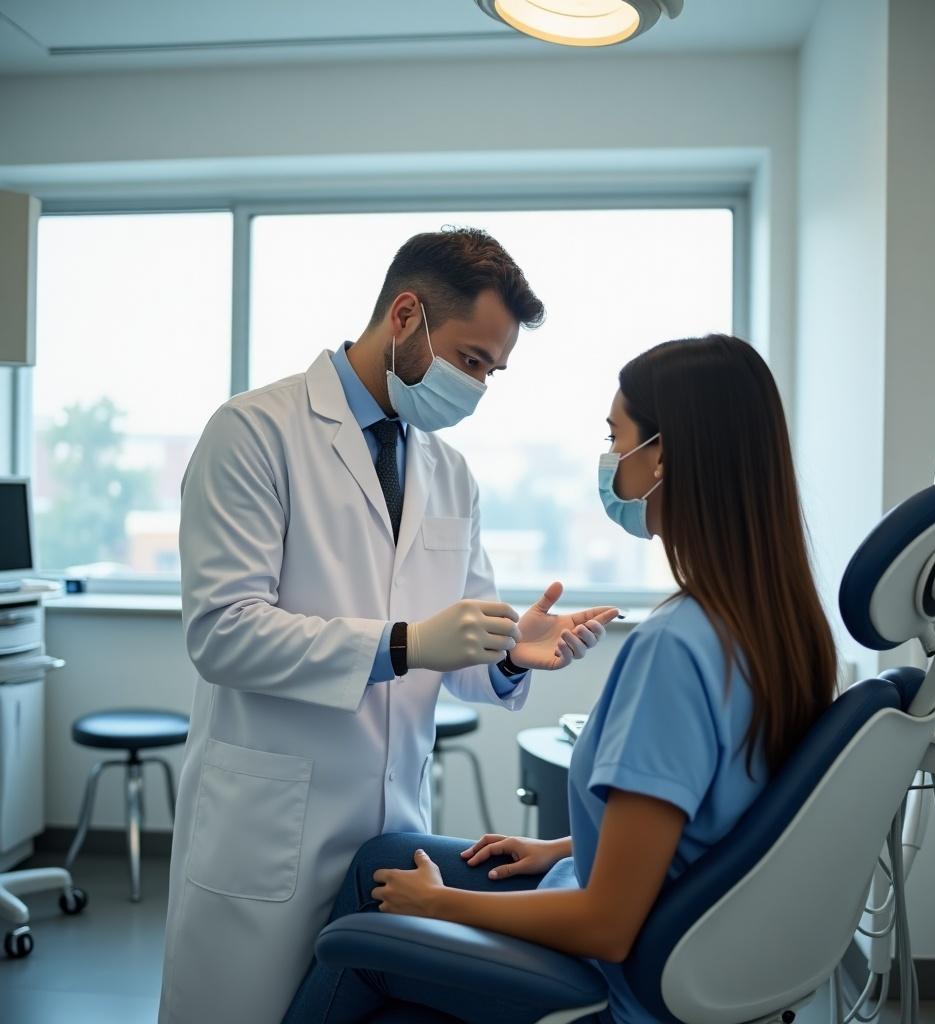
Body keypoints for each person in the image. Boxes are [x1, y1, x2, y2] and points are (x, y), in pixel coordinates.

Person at [284, 334, 838, 1024]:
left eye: (616, 437)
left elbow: (607, 923)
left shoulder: (675, 648)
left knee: (370, 923)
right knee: (387, 856)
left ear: (661, 456)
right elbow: (724, 821)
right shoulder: (783, 625)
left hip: (619, 975)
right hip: (662, 923)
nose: (609, 461)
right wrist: (562, 847)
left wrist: (441, 905)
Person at [159, 228, 620, 1024]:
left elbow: (458, 644)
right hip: (269, 825)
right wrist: (402, 644)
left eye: (492, 372)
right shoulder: (254, 431)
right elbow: (223, 632)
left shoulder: (447, 471)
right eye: (472, 361)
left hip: (392, 822)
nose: (478, 386)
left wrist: (512, 651)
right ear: (405, 316)